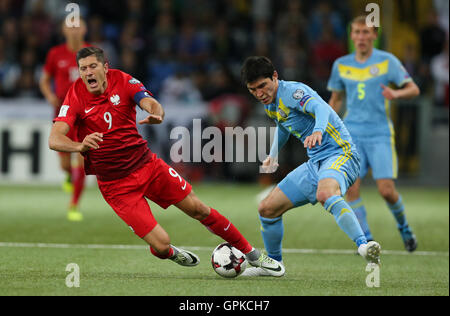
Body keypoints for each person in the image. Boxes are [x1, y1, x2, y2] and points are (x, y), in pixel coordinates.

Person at [48, 47, 284, 275]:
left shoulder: (123, 80)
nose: (88, 73)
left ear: (105, 67)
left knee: (199, 209)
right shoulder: (76, 94)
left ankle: (253, 255)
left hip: (147, 166)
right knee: (161, 245)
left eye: (92, 66)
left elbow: (149, 101)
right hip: (116, 186)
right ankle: (170, 252)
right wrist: (79, 145)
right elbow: (55, 138)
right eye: (82, 69)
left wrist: (156, 113)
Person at [240, 56, 381, 277]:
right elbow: (284, 125)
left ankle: (365, 246)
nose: (259, 94)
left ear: (275, 77)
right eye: (253, 90)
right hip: (316, 163)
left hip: (341, 153)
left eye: (262, 86)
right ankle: (274, 265)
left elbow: (321, 109)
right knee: (267, 209)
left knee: (325, 193)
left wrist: (318, 130)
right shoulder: (271, 104)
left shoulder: (292, 92)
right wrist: (273, 155)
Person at [327, 16, 420, 252]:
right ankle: (367, 241)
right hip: (351, 135)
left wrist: (396, 94)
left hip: (379, 133)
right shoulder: (341, 64)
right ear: (351, 36)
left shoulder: (387, 61)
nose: (361, 37)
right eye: (357, 32)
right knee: (351, 189)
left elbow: (413, 89)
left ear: (374, 35)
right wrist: (323, 127)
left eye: (366, 32)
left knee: (386, 191)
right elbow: (336, 99)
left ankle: (405, 229)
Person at [39, 19, 90, 221]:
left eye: (78, 26)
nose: (75, 30)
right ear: (63, 30)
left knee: (82, 154)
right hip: (62, 111)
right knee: (64, 163)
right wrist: (49, 95)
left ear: (85, 29)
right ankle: (69, 174)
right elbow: (44, 79)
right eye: (71, 26)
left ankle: (74, 205)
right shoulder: (55, 53)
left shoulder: (92, 53)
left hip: (86, 113)